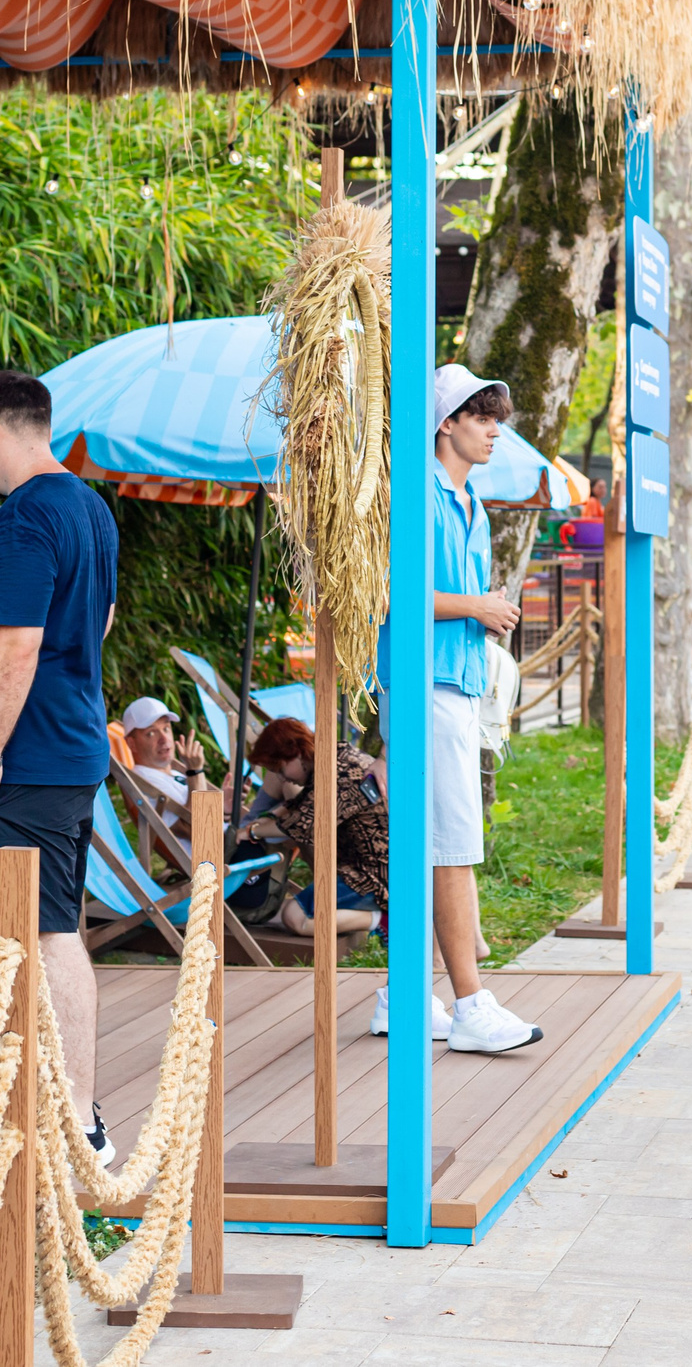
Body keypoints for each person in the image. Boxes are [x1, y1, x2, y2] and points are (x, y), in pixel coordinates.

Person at [0, 369, 121, 1157]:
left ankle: (70, 1120)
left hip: (24, 766)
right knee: (53, 927)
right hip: (65, 748)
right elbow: (100, 617)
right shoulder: (88, 506)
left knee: (37, 936)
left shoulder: (25, 519)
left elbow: (17, 641)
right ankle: (68, 1112)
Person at [372, 363, 542, 1053]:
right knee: (451, 848)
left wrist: (481, 609)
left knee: (429, 847)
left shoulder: (466, 500)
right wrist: (478, 606)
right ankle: (470, 1003)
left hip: (453, 684)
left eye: (496, 418)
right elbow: (393, 590)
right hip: (425, 686)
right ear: (446, 422)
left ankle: (403, 994)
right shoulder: (418, 494)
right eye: (481, 417)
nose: (494, 430)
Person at [245, 716, 389, 940]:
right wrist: (269, 817)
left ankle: (382, 920)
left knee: (295, 916)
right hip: (371, 868)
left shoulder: (338, 774)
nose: (283, 778)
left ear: (297, 752)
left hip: (375, 878)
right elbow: (302, 803)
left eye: (280, 769)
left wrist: (252, 831)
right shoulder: (334, 758)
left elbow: (305, 824)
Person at [116, 696, 210, 832]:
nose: (164, 739)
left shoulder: (174, 773)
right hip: (219, 851)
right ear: (131, 743)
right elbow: (202, 830)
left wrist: (226, 810)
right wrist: (195, 772)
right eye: (151, 733)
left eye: (166, 728)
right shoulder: (144, 783)